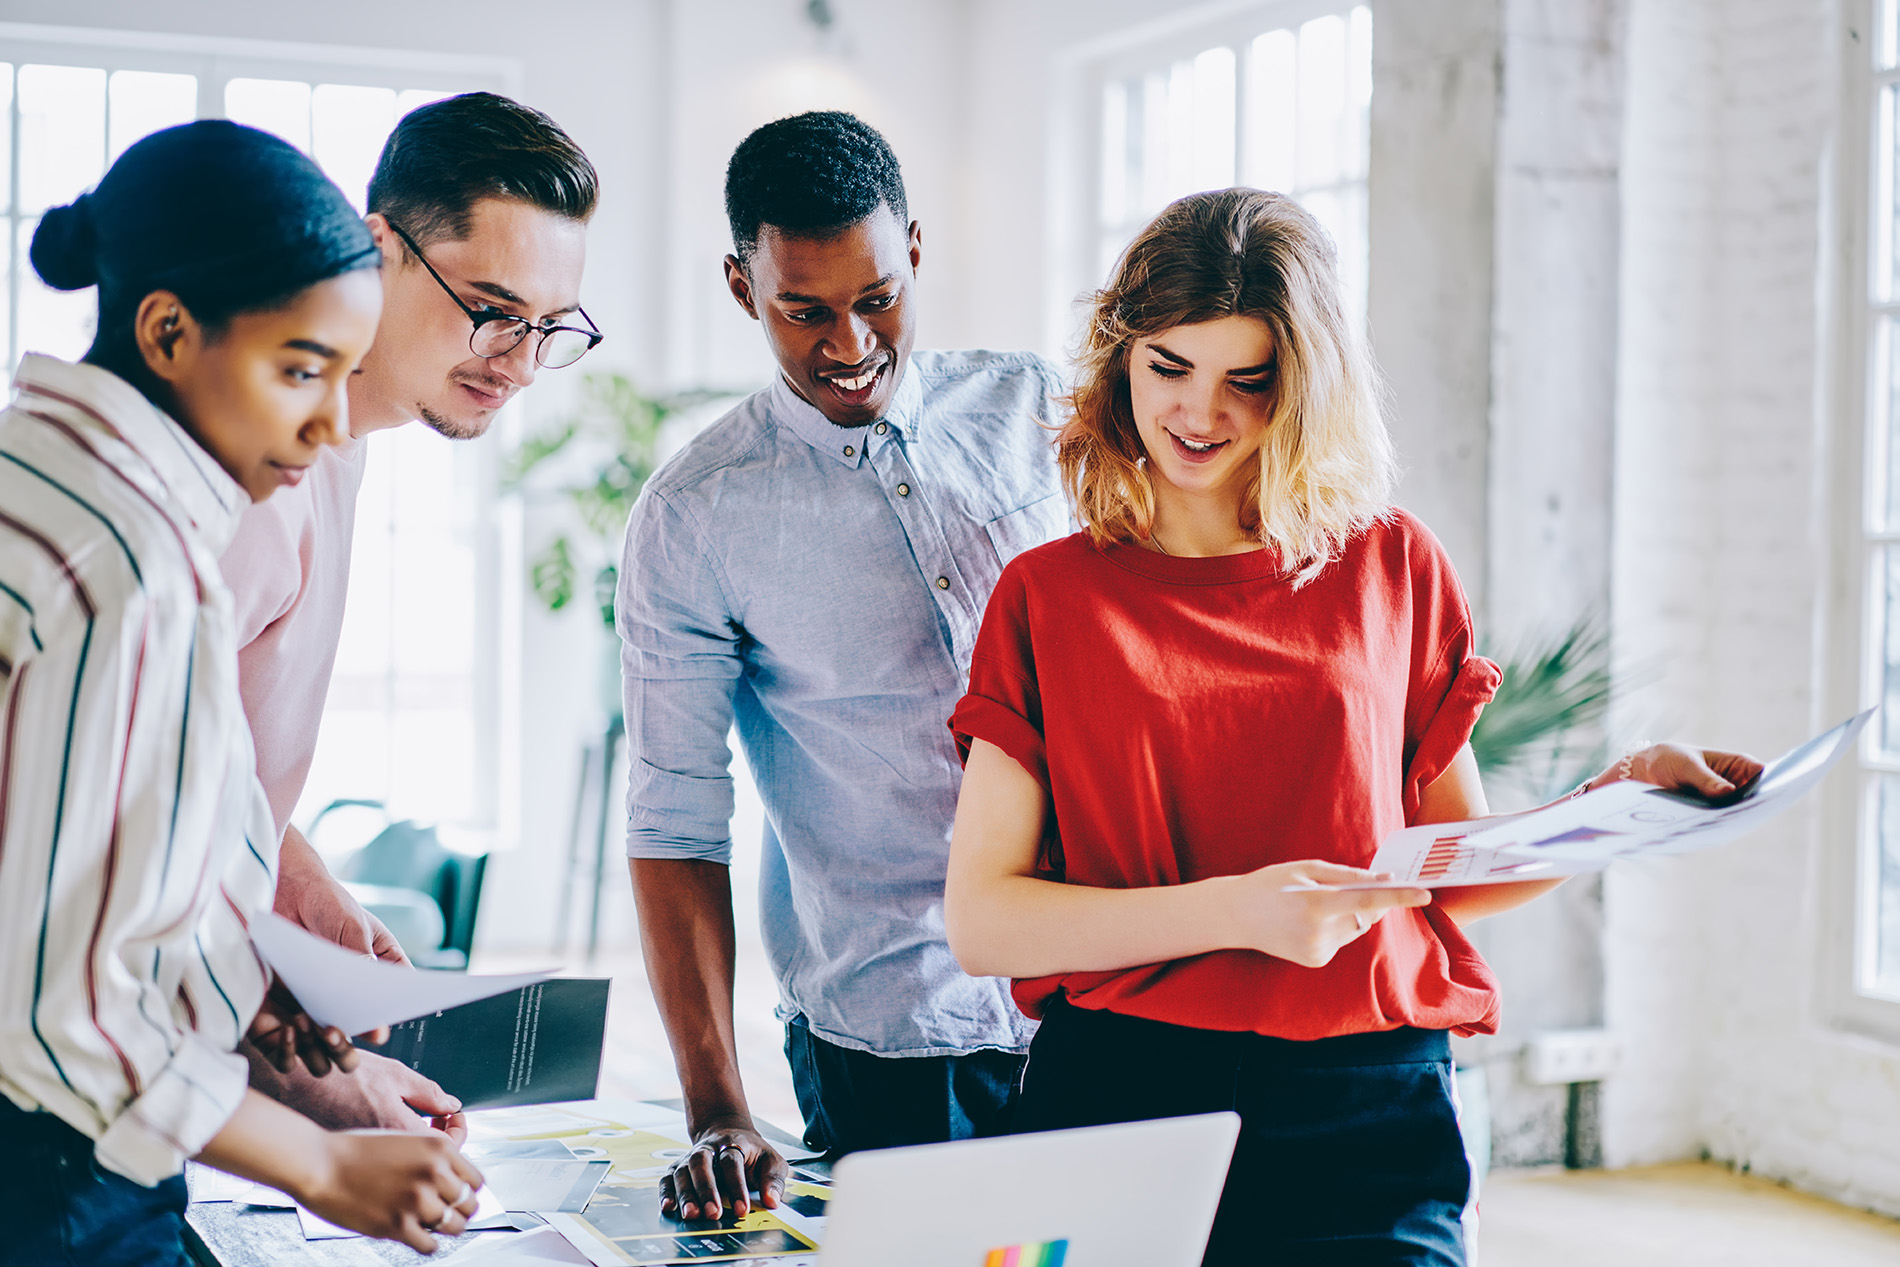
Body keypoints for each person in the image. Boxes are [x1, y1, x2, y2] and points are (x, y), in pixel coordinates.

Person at [941, 188, 1764, 1267]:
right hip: (1124, 1091)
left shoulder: (1391, 563)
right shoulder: (1046, 597)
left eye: (1250, 379)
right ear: (1119, 361)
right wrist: (1238, 912)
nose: (1200, 414)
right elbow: (986, 921)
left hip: (1367, 1093)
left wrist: (1619, 804)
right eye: (1168, 368)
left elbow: (1447, 869)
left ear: (1305, 384)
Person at [0, 121, 482, 1267]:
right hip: (58, 1181)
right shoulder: (136, 569)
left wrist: (227, 983)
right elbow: (56, 1018)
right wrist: (318, 1161)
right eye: (300, 369)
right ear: (168, 330)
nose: (327, 424)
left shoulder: (30, 469)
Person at [617, 110, 1068, 1221]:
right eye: (803, 311)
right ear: (740, 286)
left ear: (914, 250)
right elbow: (674, 815)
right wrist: (717, 1106)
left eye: (876, 300)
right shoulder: (693, 516)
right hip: (890, 1032)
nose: (850, 344)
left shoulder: (1043, 413)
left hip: (1096, 993)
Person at [219, 91, 600, 1137]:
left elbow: (201, 761)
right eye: (490, 307)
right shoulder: (256, 465)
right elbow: (115, 803)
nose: (518, 362)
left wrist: (299, 882)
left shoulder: (345, 445)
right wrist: (298, 1081)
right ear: (380, 245)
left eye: (547, 327)